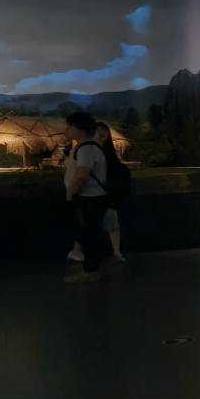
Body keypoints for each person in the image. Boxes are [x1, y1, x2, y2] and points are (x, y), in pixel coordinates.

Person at [63, 112, 112, 284]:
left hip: (89, 198)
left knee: (89, 235)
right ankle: (90, 268)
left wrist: (70, 193)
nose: (67, 131)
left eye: (70, 127)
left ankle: (90, 271)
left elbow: (82, 174)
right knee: (89, 233)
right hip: (91, 198)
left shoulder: (86, 148)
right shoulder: (87, 147)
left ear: (80, 129)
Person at [70, 123, 126, 263]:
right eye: (98, 132)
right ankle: (78, 251)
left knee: (106, 223)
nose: (101, 135)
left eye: (104, 132)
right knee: (91, 224)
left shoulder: (101, 152)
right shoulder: (91, 150)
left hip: (103, 193)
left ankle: (115, 251)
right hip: (95, 194)